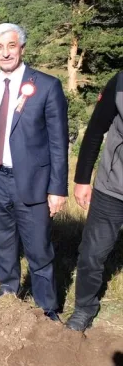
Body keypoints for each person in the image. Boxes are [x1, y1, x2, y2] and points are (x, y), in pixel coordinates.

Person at [0, 23, 68, 321]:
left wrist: (57, 188)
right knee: (3, 241)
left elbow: (58, 142)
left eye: (11, 45)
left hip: (33, 181)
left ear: (22, 47)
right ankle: (8, 293)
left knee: (38, 247)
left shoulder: (47, 85)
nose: (5, 52)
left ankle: (46, 307)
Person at [66, 71, 123, 332]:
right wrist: (82, 179)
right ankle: (84, 308)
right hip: (112, 188)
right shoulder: (120, 82)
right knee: (92, 254)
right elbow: (95, 130)